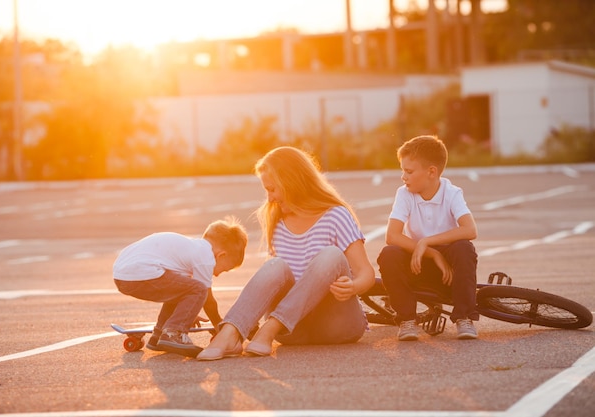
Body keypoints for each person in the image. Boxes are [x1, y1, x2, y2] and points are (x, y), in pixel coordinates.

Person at [196, 146, 375, 361]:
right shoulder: (277, 221)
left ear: (292, 183)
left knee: (331, 255)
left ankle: (269, 329)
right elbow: (274, 282)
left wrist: (353, 287)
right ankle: (229, 334)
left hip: (337, 325)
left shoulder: (336, 215)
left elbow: (366, 273)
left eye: (272, 189)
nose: (270, 198)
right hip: (294, 332)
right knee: (275, 265)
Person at [376, 135, 479, 341]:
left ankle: (464, 318)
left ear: (432, 172)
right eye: (403, 170)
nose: (403, 177)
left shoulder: (451, 193)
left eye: (409, 171)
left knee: (464, 248)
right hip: (419, 264)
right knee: (389, 254)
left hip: (448, 271)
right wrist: (431, 253)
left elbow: (470, 230)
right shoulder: (405, 194)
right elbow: (392, 235)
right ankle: (407, 320)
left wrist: (426, 242)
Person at [113, 216, 248, 357]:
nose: (218, 275)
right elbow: (208, 301)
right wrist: (220, 328)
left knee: (184, 289)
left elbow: (179, 290)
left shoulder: (190, 249)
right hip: (142, 272)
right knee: (200, 289)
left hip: (123, 275)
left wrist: (188, 312)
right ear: (221, 255)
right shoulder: (206, 257)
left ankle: (159, 336)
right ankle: (173, 332)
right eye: (224, 269)